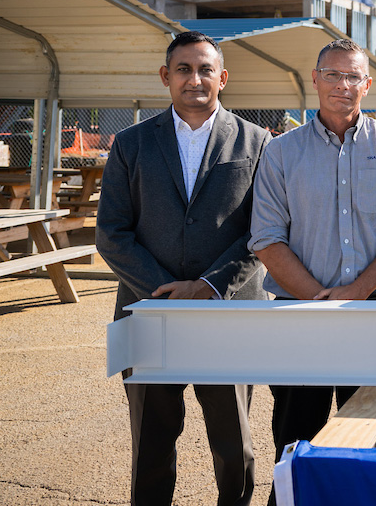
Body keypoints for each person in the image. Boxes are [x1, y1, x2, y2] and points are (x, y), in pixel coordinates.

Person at [247, 38, 376, 503]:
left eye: (352, 77)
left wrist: (357, 291)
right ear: (315, 78)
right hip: (298, 316)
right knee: (294, 441)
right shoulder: (281, 152)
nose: (342, 85)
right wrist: (317, 298)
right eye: (333, 74)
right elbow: (267, 237)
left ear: (366, 86)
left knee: (368, 442)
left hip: (375, 311)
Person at [96, 31, 270, 506]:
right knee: (151, 442)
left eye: (205, 69)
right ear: (165, 76)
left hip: (229, 314)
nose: (195, 79)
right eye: (184, 69)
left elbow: (265, 231)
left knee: (234, 445)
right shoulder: (130, 143)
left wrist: (211, 286)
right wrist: (166, 290)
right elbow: (111, 231)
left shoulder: (257, 142)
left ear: (223, 78)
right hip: (149, 314)